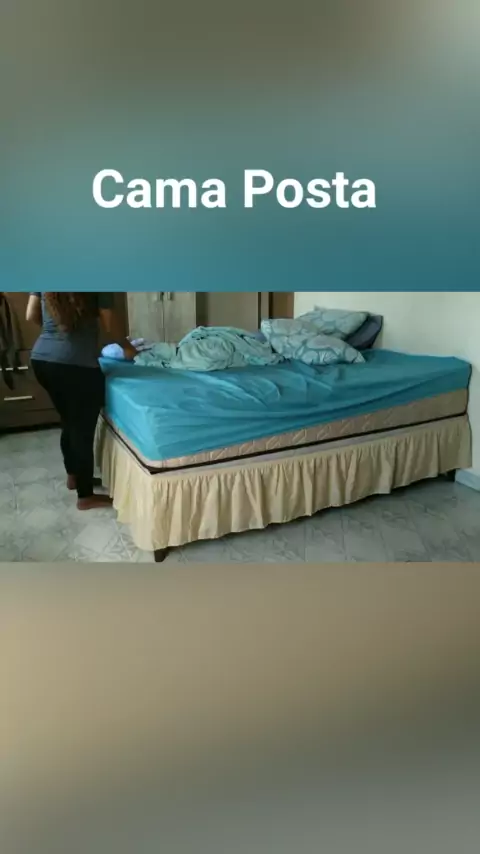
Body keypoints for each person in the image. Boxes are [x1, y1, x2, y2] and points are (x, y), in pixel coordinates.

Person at [26, 292, 136, 510]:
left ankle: (74, 476)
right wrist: (126, 346)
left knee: (68, 421)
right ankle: (85, 496)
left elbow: (31, 314)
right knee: (82, 430)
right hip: (76, 364)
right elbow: (109, 323)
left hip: (41, 359)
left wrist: (55, 333)